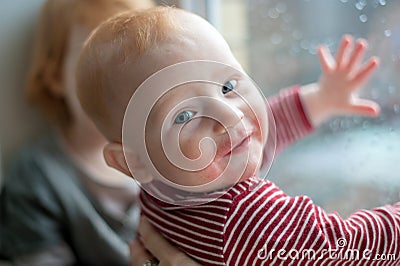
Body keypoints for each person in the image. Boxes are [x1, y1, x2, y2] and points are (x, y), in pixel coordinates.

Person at [76, 6, 400, 265]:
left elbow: (257, 130)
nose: (229, 116)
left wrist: (318, 99)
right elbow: (355, 247)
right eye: (184, 116)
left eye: (228, 87)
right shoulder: (245, 214)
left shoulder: (163, 189)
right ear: (132, 161)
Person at [0, 0, 156, 265]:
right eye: (97, 59)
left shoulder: (173, 151)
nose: (122, 80)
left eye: (135, 59)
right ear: (55, 76)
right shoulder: (38, 179)